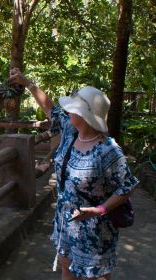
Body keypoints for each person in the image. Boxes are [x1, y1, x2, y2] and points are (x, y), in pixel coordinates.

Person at [9, 68, 139, 280]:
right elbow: (49, 107)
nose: (68, 110)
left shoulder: (108, 150)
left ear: (86, 117)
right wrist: (26, 82)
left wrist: (100, 209)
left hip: (95, 230)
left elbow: (127, 186)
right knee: (66, 269)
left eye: (74, 108)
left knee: (97, 276)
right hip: (66, 222)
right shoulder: (70, 130)